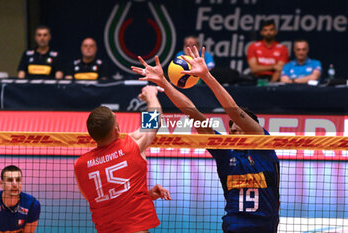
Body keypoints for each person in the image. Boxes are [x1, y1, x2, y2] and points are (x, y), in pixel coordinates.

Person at [131, 46, 280, 233]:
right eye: (231, 131)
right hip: (231, 228)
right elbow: (179, 116)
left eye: (238, 129)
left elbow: (229, 109)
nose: (233, 133)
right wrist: (159, 89)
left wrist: (204, 77)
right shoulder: (224, 151)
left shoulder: (263, 145)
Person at [74, 86, 171, 233]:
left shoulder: (80, 165)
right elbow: (154, 121)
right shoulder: (130, 146)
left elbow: (96, 199)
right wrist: (150, 95)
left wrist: (143, 195)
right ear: (116, 130)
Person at [0, 165, 41, 233]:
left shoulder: (32, 205)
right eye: (10, 180)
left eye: (18, 180)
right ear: (1, 184)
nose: (15, 184)